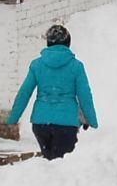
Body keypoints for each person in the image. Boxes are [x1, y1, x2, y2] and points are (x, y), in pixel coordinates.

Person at [7, 23, 98, 159]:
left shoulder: (37, 65)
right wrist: (92, 121)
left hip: (41, 124)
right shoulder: (76, 66)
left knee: (49, 163)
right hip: (67, 124)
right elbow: (85, 96)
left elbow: (24, 93)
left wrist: (13, 119)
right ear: (68, 43)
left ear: (48, 43)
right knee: (61, 165)